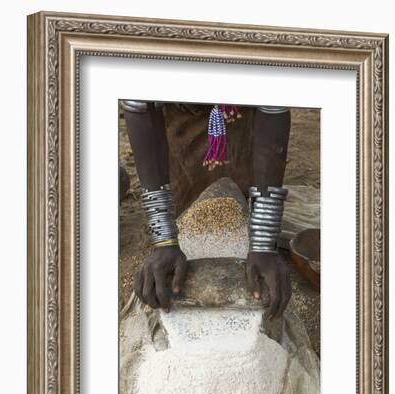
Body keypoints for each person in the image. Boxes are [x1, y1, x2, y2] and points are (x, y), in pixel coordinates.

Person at [121, 100, 292, 319]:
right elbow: (138, 105)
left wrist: (264, 243)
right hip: (181, 111)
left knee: (242, 211)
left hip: (238, 110)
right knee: (187, 208)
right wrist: (164, 240)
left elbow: (274, 105)